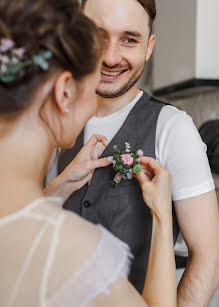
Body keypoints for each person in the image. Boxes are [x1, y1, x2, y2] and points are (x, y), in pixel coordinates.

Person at [0, 0, 177, 306]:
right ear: (65, 92)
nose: (96, 106)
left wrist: (58, 189)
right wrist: (163, 217)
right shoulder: (74, 251)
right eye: (92, 83)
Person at [50, 0, 219, 305]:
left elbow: (208, 255)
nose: (111, 56)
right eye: (98, 35)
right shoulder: (53, 122)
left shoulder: (174, 128)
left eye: (129, 39)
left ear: (149, 47)